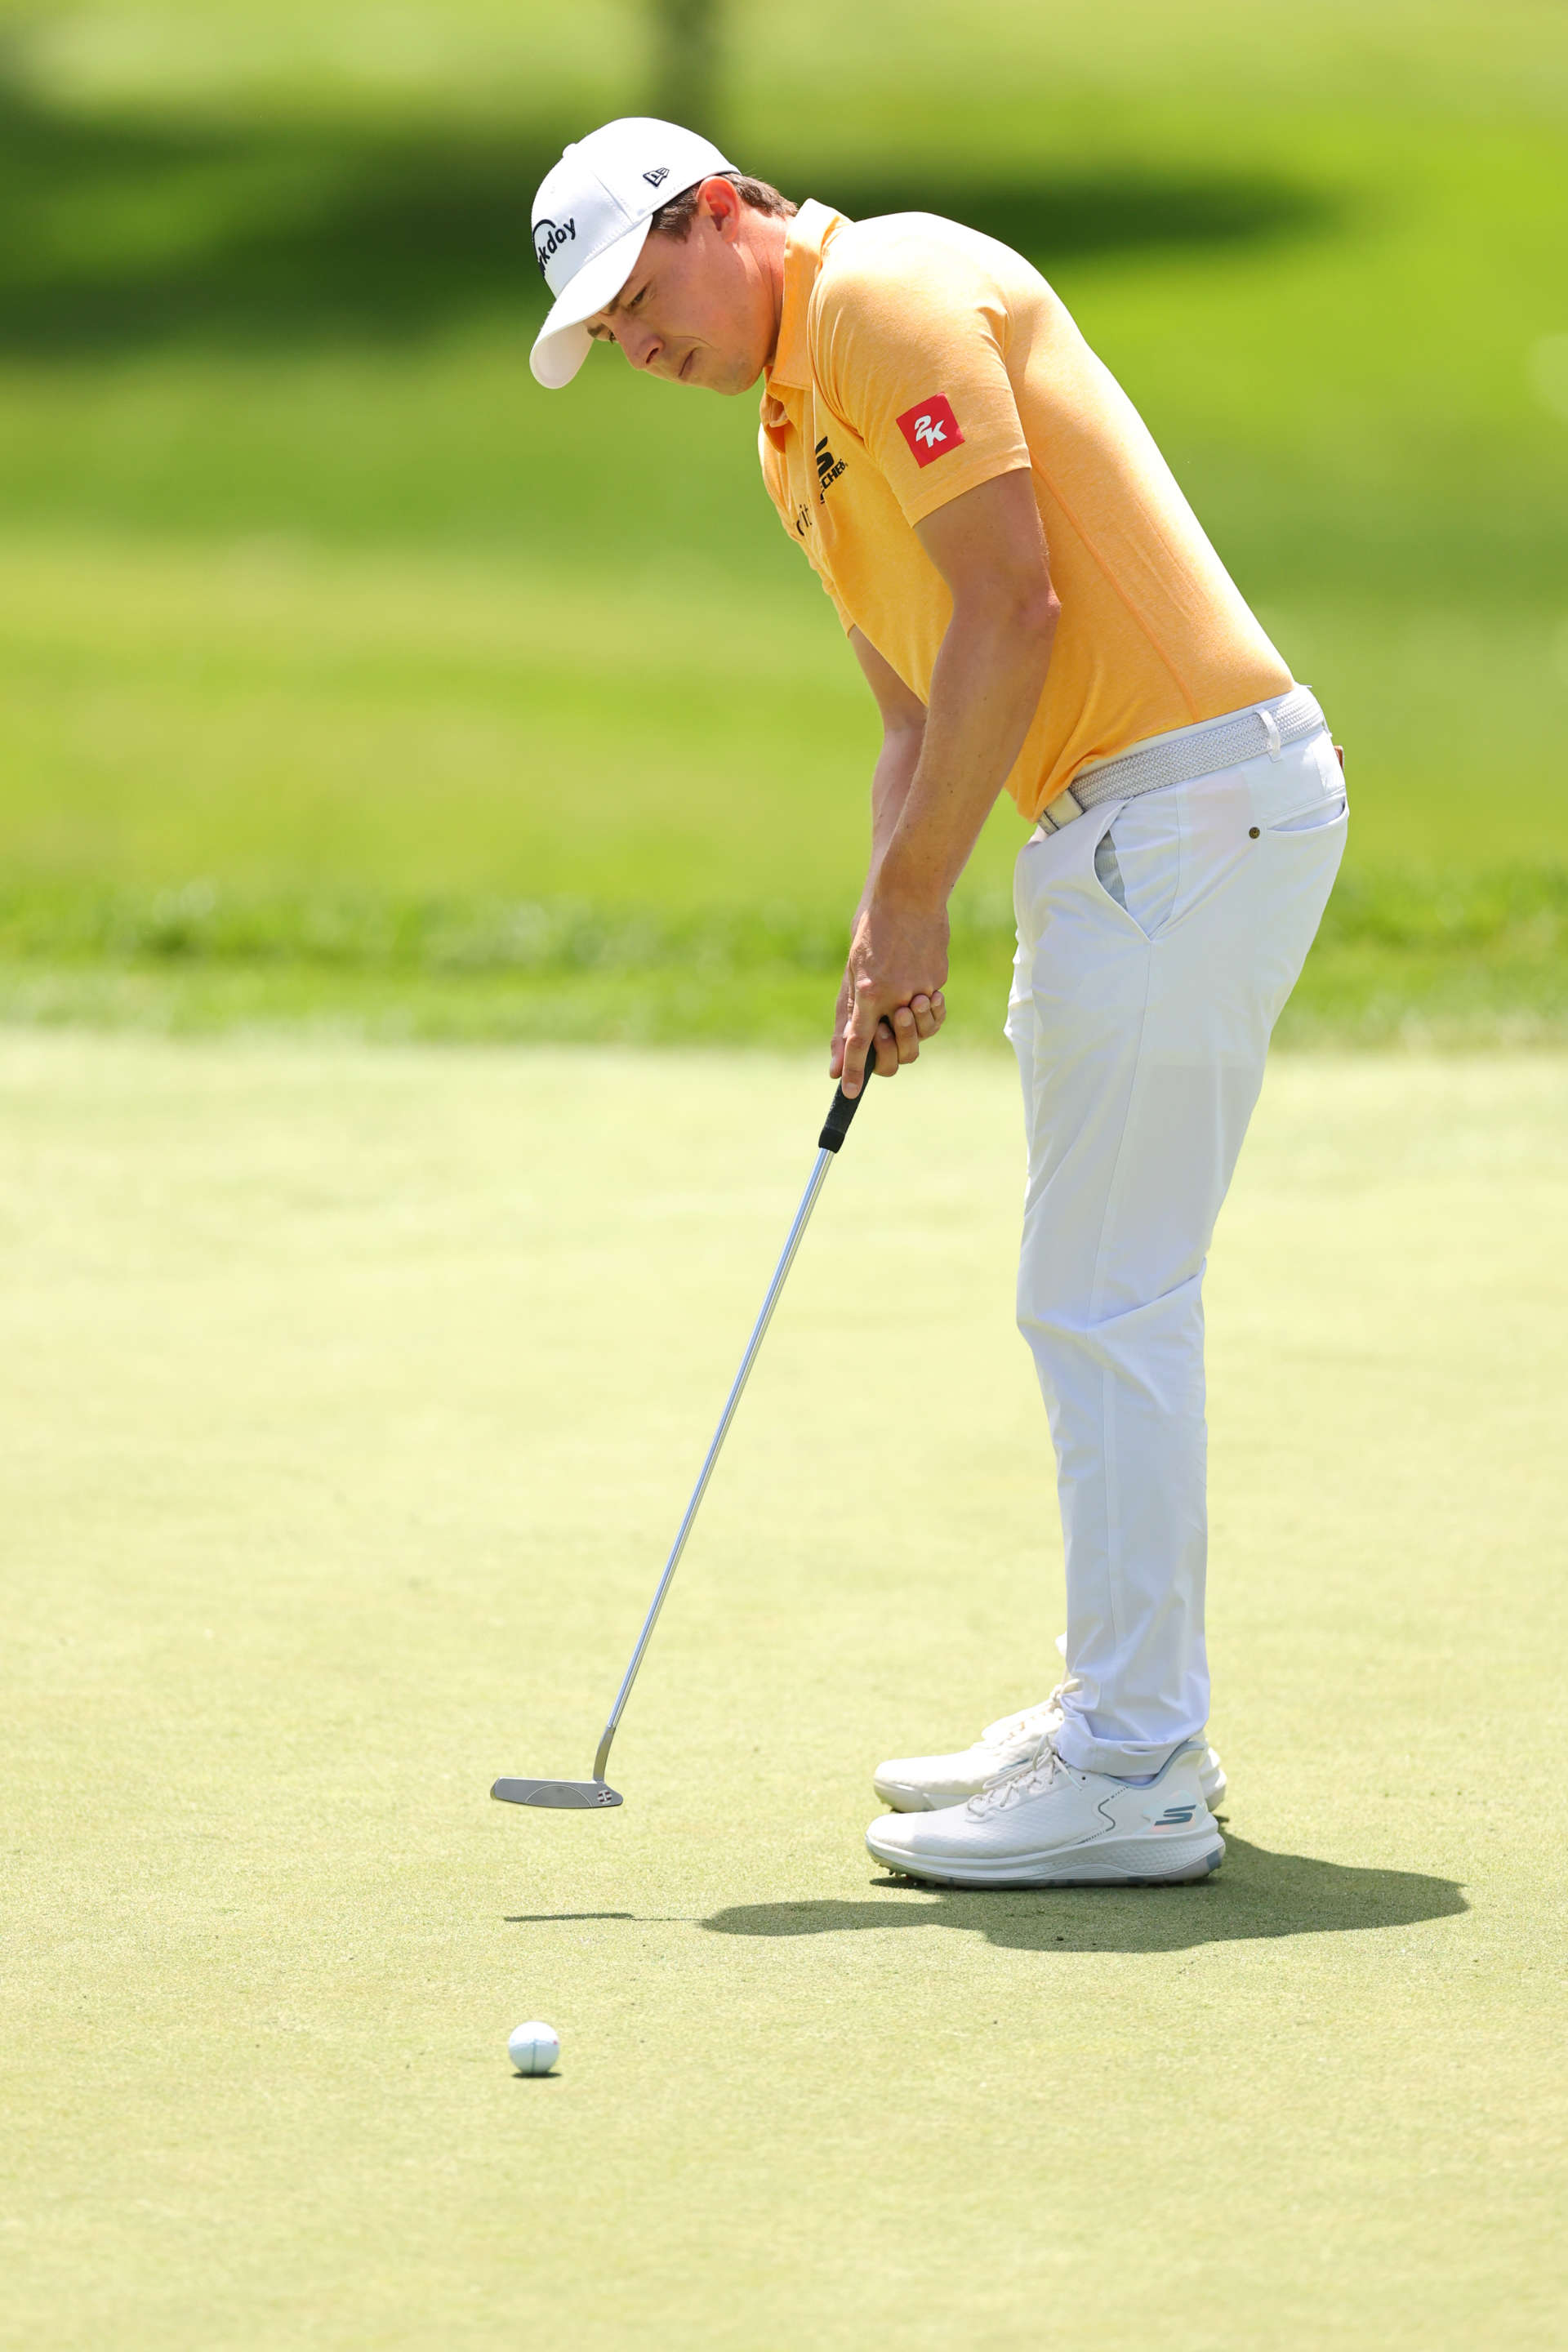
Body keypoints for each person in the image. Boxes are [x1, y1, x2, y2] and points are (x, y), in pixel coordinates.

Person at [528, 118, 1347, 1888]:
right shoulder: (785, 430)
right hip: (1118, 823)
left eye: (637, 292)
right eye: (602, 332)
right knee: (1093, 1296)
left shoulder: (888, 296)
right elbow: (919, 711)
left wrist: (922, 898)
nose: (634, 342)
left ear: (720, 208)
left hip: (1187, 804)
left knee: (1106, 1300)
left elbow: (1019, 610)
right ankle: (1119, 1711)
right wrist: (878, 921)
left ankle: (1138, 1770)